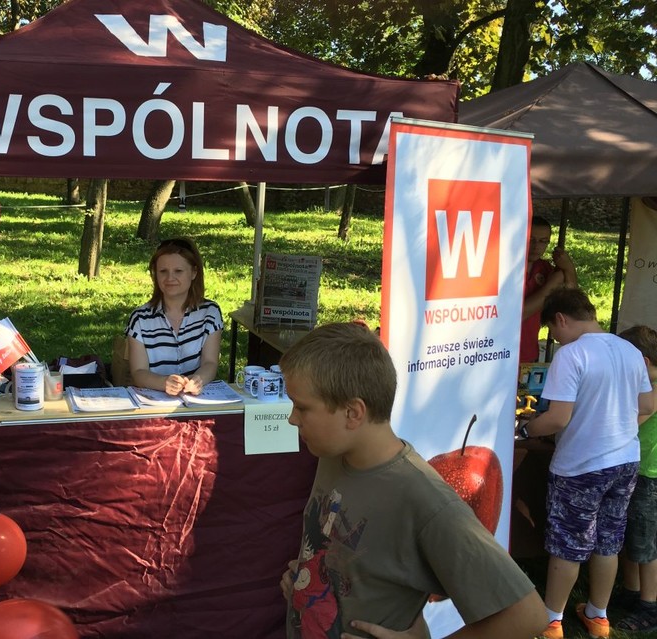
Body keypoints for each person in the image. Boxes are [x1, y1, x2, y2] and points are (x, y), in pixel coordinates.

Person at [277, 322, 546, 639]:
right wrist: (305, 586)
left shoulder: (425, 499)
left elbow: (526, 615)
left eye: (302, 407)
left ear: (353, 413)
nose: (292, 418)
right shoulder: (333, 454)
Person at [517, 289, 653, 639]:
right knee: (608, 542)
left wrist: (524, 428)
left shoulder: (571, 354)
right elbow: (646, 406)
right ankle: (598, 616)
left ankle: (551, 620)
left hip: (581, 465)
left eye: (552, 329)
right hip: (625, 460)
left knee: (568, 545)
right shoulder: (630, 350)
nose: (555, 338)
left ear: (560, 319)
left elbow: (558, 418)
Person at [126, 237, 222, 396]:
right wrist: (164, 383)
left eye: (178, 271)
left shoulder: (210, 313)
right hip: (154, 406)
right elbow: (138, 372)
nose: (170, 278)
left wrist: (199, 379)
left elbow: (210, 362)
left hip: (196, 401)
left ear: (194, 272)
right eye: (163, 271)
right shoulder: (140, 319)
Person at [612, 325, 657, 632]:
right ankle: (631, 591)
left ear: (640, 360)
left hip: (649, 475)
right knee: (631, 536)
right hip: (636, 469)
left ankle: (649, 605)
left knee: (645, 544)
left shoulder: (652, 389)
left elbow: (631, 421)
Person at [520, 216, 577, 363]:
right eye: (530, 239)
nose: (536, 246)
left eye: (543, 241)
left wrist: (569, 269)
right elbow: (520, 314)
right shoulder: (505, 267)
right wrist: (553, 284)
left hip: (528, 354)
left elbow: (572, 303)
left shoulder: (544, 269)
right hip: (498, 353)